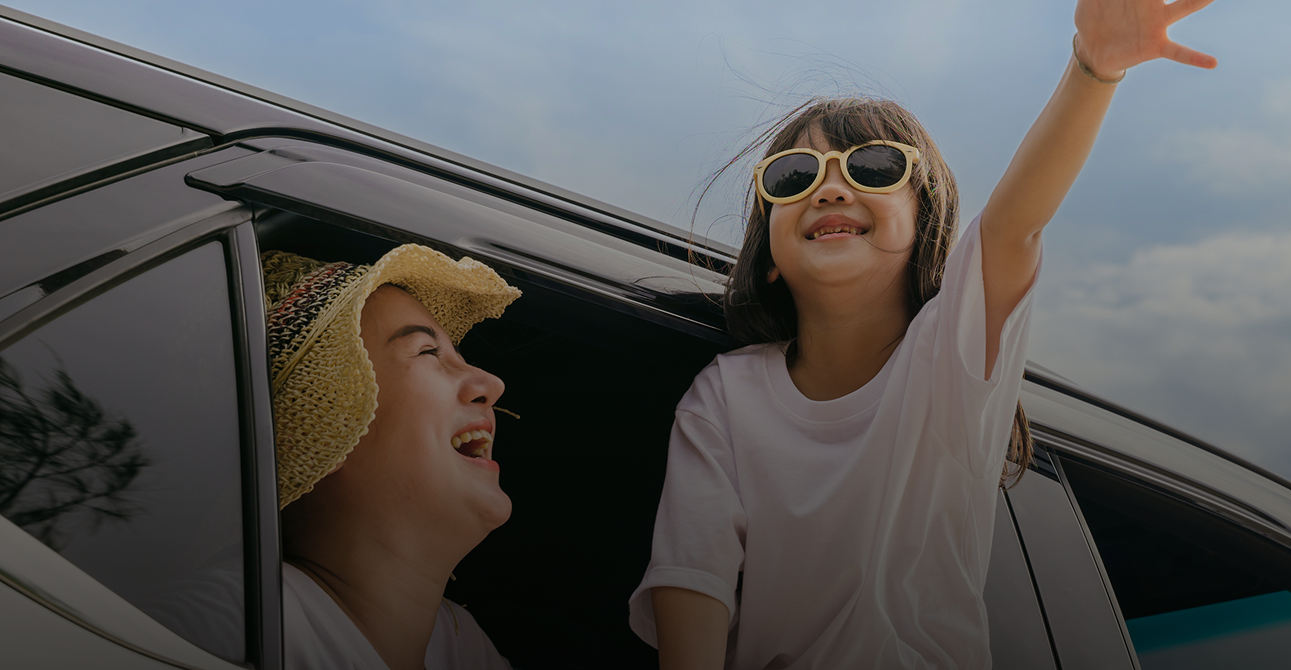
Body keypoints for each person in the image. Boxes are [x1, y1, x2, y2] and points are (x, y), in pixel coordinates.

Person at [628, 1, 1218, 668]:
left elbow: (1015, 225)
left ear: (925, 227)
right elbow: (692, 584)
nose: (830, 189)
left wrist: (1093, 67)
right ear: (768, 255)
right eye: (794, 176)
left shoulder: (948, 361)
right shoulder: (724, 397)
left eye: (873, 167)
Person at [145, 244, 522, 670]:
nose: (491, 383)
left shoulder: (461, 644)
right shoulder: (220, 629)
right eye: (427, 352)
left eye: (460, 357)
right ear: (331, 426)